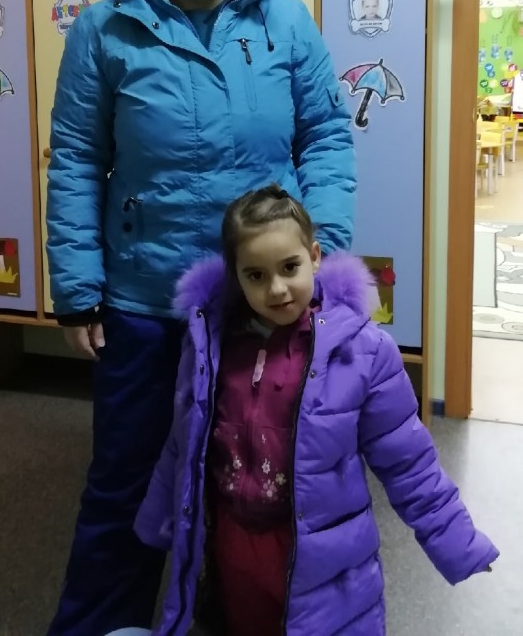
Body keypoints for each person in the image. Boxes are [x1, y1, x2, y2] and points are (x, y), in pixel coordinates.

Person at [45, 0, 356, 636]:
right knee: (125, 483)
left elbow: (326, 138)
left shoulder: (287, 23)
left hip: (258, 302)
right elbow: (76, 158)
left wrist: (323, 250)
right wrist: (77, 288)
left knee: (251, 483)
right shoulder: (103, 28)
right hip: (145, 298)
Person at [136, 185, 498, 636]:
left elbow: (409, 462)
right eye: (255, 275)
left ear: (314, 256)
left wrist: (457, 542)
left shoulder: (363, 352)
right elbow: (183, 443)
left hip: (318, 557)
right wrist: (158, 519)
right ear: (236, 276)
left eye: (289, 267)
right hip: (232, 547)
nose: (276, 289)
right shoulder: (212, 345)